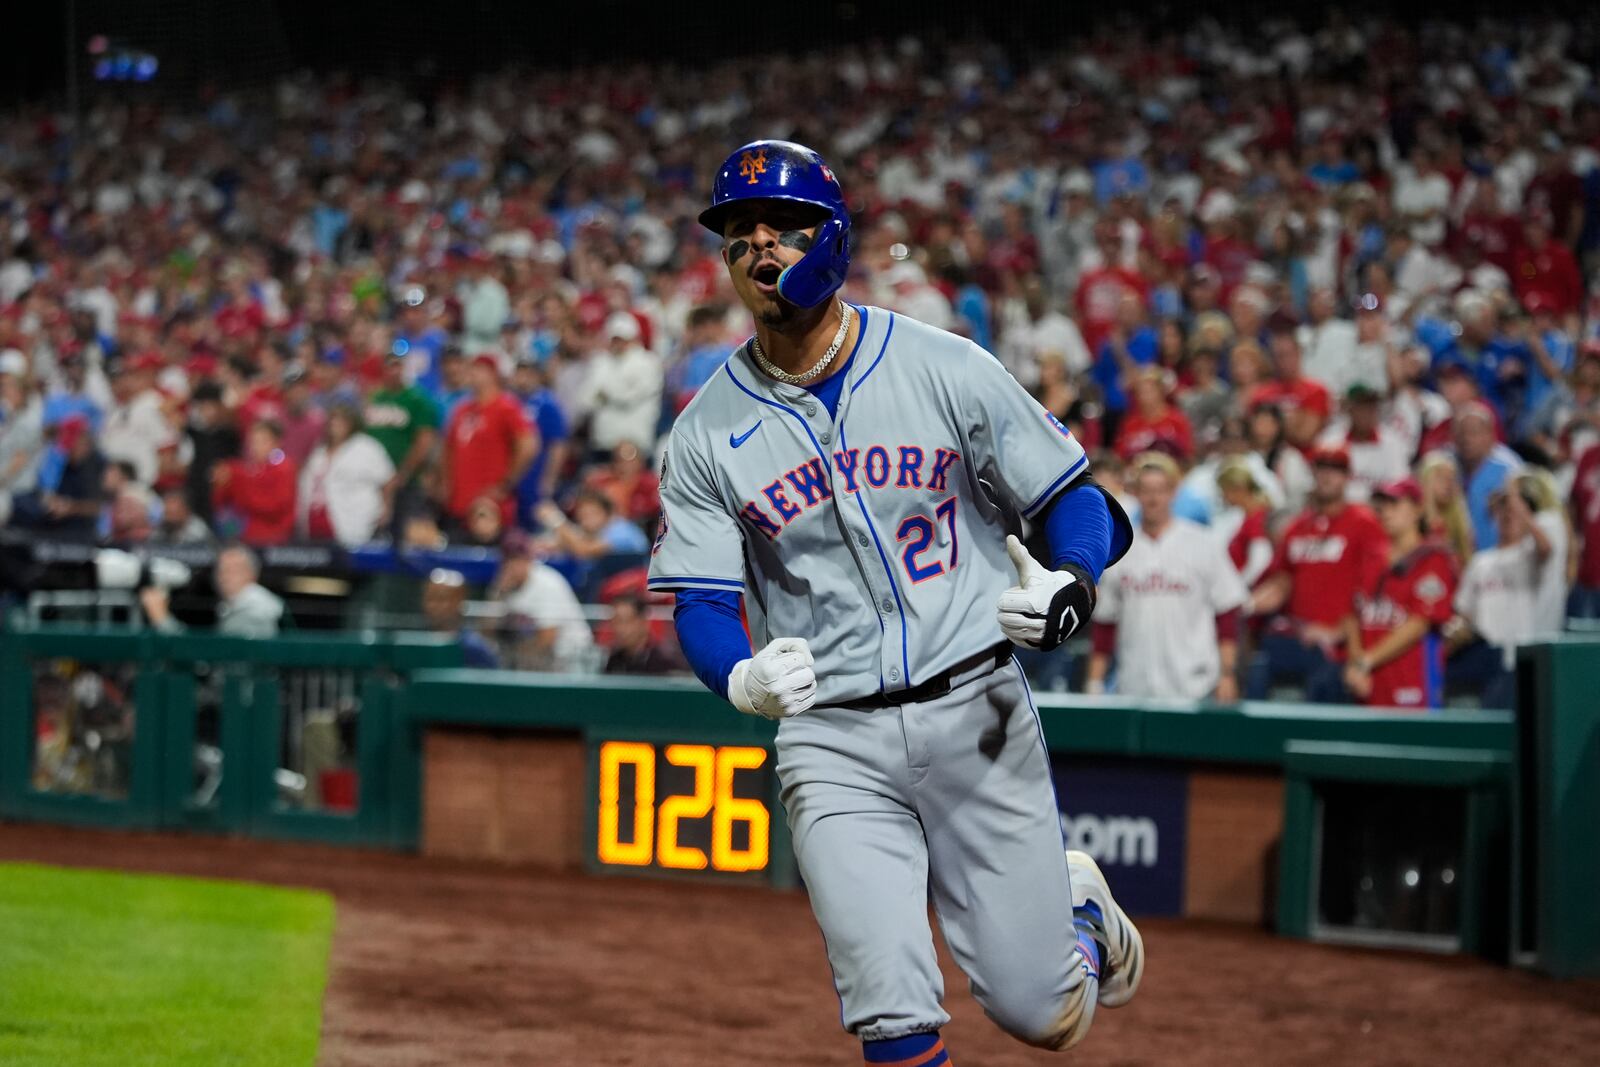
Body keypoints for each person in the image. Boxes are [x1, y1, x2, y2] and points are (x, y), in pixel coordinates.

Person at [648, 140, 1143, 1063]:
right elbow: (702, 601)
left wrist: (1071, 582)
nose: (760, 249)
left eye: (783, 230)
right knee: (888, 1006)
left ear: (829, 237)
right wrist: (742, 677)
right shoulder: (706, 431)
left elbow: (1078, 498)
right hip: (833, 737)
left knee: (1043, 1013)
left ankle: (1077, 912)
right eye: (738, 234)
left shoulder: (939, 364)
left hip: (976, 707)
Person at [1086, 453, 1248, 700]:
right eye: (1146, 490)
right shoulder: (1120, 549)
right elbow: (1105, 623)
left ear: (1174, 492)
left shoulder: (1203, 543)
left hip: (1196, 685)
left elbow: (1227, 612)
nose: (1153, 498)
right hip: (1135, 684)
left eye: (1160, 490)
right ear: (1136, 493)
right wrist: (1094, 682)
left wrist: (1228, 674)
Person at [1248, 444, 1389, 702]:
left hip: (1343, 651)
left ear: (1348, 477)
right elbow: (1281, 582)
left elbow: (1376, 589)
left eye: (1335, 469)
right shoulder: (1298, 527)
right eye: (1321, 468)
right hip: (1301, 646)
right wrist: (1247, 605)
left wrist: (1340, 631)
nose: (1327, 476)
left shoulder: (1364, 523)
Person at [1342, 478, 1458, 710]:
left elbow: (1420, 623)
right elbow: (1352, 615)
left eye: (1395, 503)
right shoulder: (1369, 556)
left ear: (1417, 509)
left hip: (1413, 680)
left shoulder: (1433, 558)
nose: (1385, 511)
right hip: (1370, 683)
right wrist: (1356, 665)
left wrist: (1366, 661)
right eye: (1381, 504)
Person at [1445, 483, 1552, 709]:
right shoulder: (1481, 561)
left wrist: (1518, 506)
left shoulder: (1528, 554)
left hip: (1519, 657)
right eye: (1504, 511)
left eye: (1514, 512)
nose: (1509, 516)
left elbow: (1545, 548)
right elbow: (1464, 611)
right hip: (1482, 655)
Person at [438, 353, 535, 531]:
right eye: (472, 368)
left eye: (479, 369)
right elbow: (448, 448)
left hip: (490, 507)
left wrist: (506, 483)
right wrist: (445, 482)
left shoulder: (506, 407)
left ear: (493, 374)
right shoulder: (462, 409)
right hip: (459, 501)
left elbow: (528, 445)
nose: (473, 373)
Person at [490, 532, 595, 671]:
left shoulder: (547, 583)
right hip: (541, 659)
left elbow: (547, 639)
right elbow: (487, 632)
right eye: (508, 560)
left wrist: (516, 662)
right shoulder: (503, 586)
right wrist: (497, 595)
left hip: (572, 656)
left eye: (518, 559)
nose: (513, 566)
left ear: (529, 559)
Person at [297, 403, 395, 546]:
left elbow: (388, 479)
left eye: (341, 421)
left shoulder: (366, 447)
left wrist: (386, 508)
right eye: (333, 421)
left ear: (351, 423)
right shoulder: (320, 450)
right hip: (316, 521)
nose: (335, 425)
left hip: (353, 519)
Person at [140, 544, 284, 637]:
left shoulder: (254, 607)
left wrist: (162, 620)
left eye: (234, 570)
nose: (225, 576)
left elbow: (205, 658)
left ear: (252, 575)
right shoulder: (232, 605)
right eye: (221, 570)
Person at [581, 312, 664, 456]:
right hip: (604, 440)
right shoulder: (600, 362)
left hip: (636, 441)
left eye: (623, 339)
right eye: (615, 339)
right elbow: (586, 400)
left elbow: (629, 398)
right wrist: (619, 389)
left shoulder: (648, 362)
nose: (619, 344)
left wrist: (606, 394)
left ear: (634, 338)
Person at [211, 419, 298, 546]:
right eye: (253, 442)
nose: (256, 447)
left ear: (277, 443)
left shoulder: (284, 468)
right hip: (246, 537)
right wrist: (221, 483)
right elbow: (220, 503)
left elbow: (275, 507)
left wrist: (241, 487)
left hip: (275, 539)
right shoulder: (247, 469)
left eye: (263, 441)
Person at [1453, 401, 1523, 551]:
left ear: (1490, 435)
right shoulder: (1451, 467)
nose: (1466, 439)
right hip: (1466, 558)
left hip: (1501, 557)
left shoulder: (1509, 467)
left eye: (1473, 432)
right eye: (1461, 433)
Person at [421, 568, 500, 668]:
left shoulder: (476, 649)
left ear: (460, 602)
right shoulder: (414, 644)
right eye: (430, 598)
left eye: (441, 599)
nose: (434, 606)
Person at [603, 595, 685, 675]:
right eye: (616, 622)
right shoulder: (614, 660)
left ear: (643, 622)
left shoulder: (664, 661)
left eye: (626, 621)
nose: (620, 629)